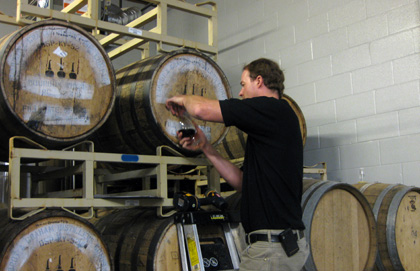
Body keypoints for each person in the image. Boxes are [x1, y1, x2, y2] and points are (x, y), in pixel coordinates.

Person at [166, 58, 309, 271]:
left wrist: (181, 98)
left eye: (243, 84)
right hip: (272, 248)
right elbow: (243, 183)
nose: (240, 93)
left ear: (259, 81)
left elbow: (200, 110)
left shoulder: (273, 109)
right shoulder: (267, 126)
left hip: (272, 251)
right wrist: (206, 148)